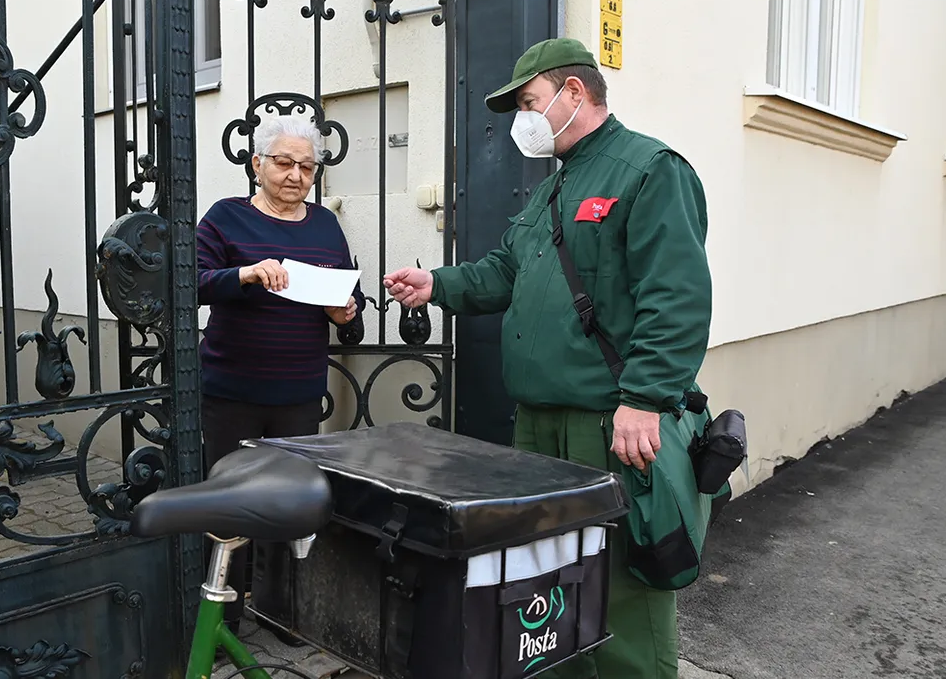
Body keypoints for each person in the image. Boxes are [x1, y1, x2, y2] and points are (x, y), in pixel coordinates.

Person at [383, 37, 712, 678]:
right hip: (539, 425)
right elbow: (507, 271)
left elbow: (676, 297)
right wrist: (438, 286)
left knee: (622, 583)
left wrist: (644, 400)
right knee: (552, 581)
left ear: (574, 94)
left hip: (610, 424)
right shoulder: (555, 187)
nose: (522, 121)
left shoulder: (649, 169)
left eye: (529, 102)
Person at [195, 113, 365, 636]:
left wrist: (346, 312)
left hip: (296, 390)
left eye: (307, 167)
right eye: (284, 163)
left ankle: (280, 610)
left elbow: (345, 295)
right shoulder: (225, 218)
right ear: (257, 165)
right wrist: (244, 274)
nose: (295, 175)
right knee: (227, 504)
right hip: (231, 388)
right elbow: (192, 284)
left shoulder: (324, 225)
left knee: (286, 506)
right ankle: (220, 618)